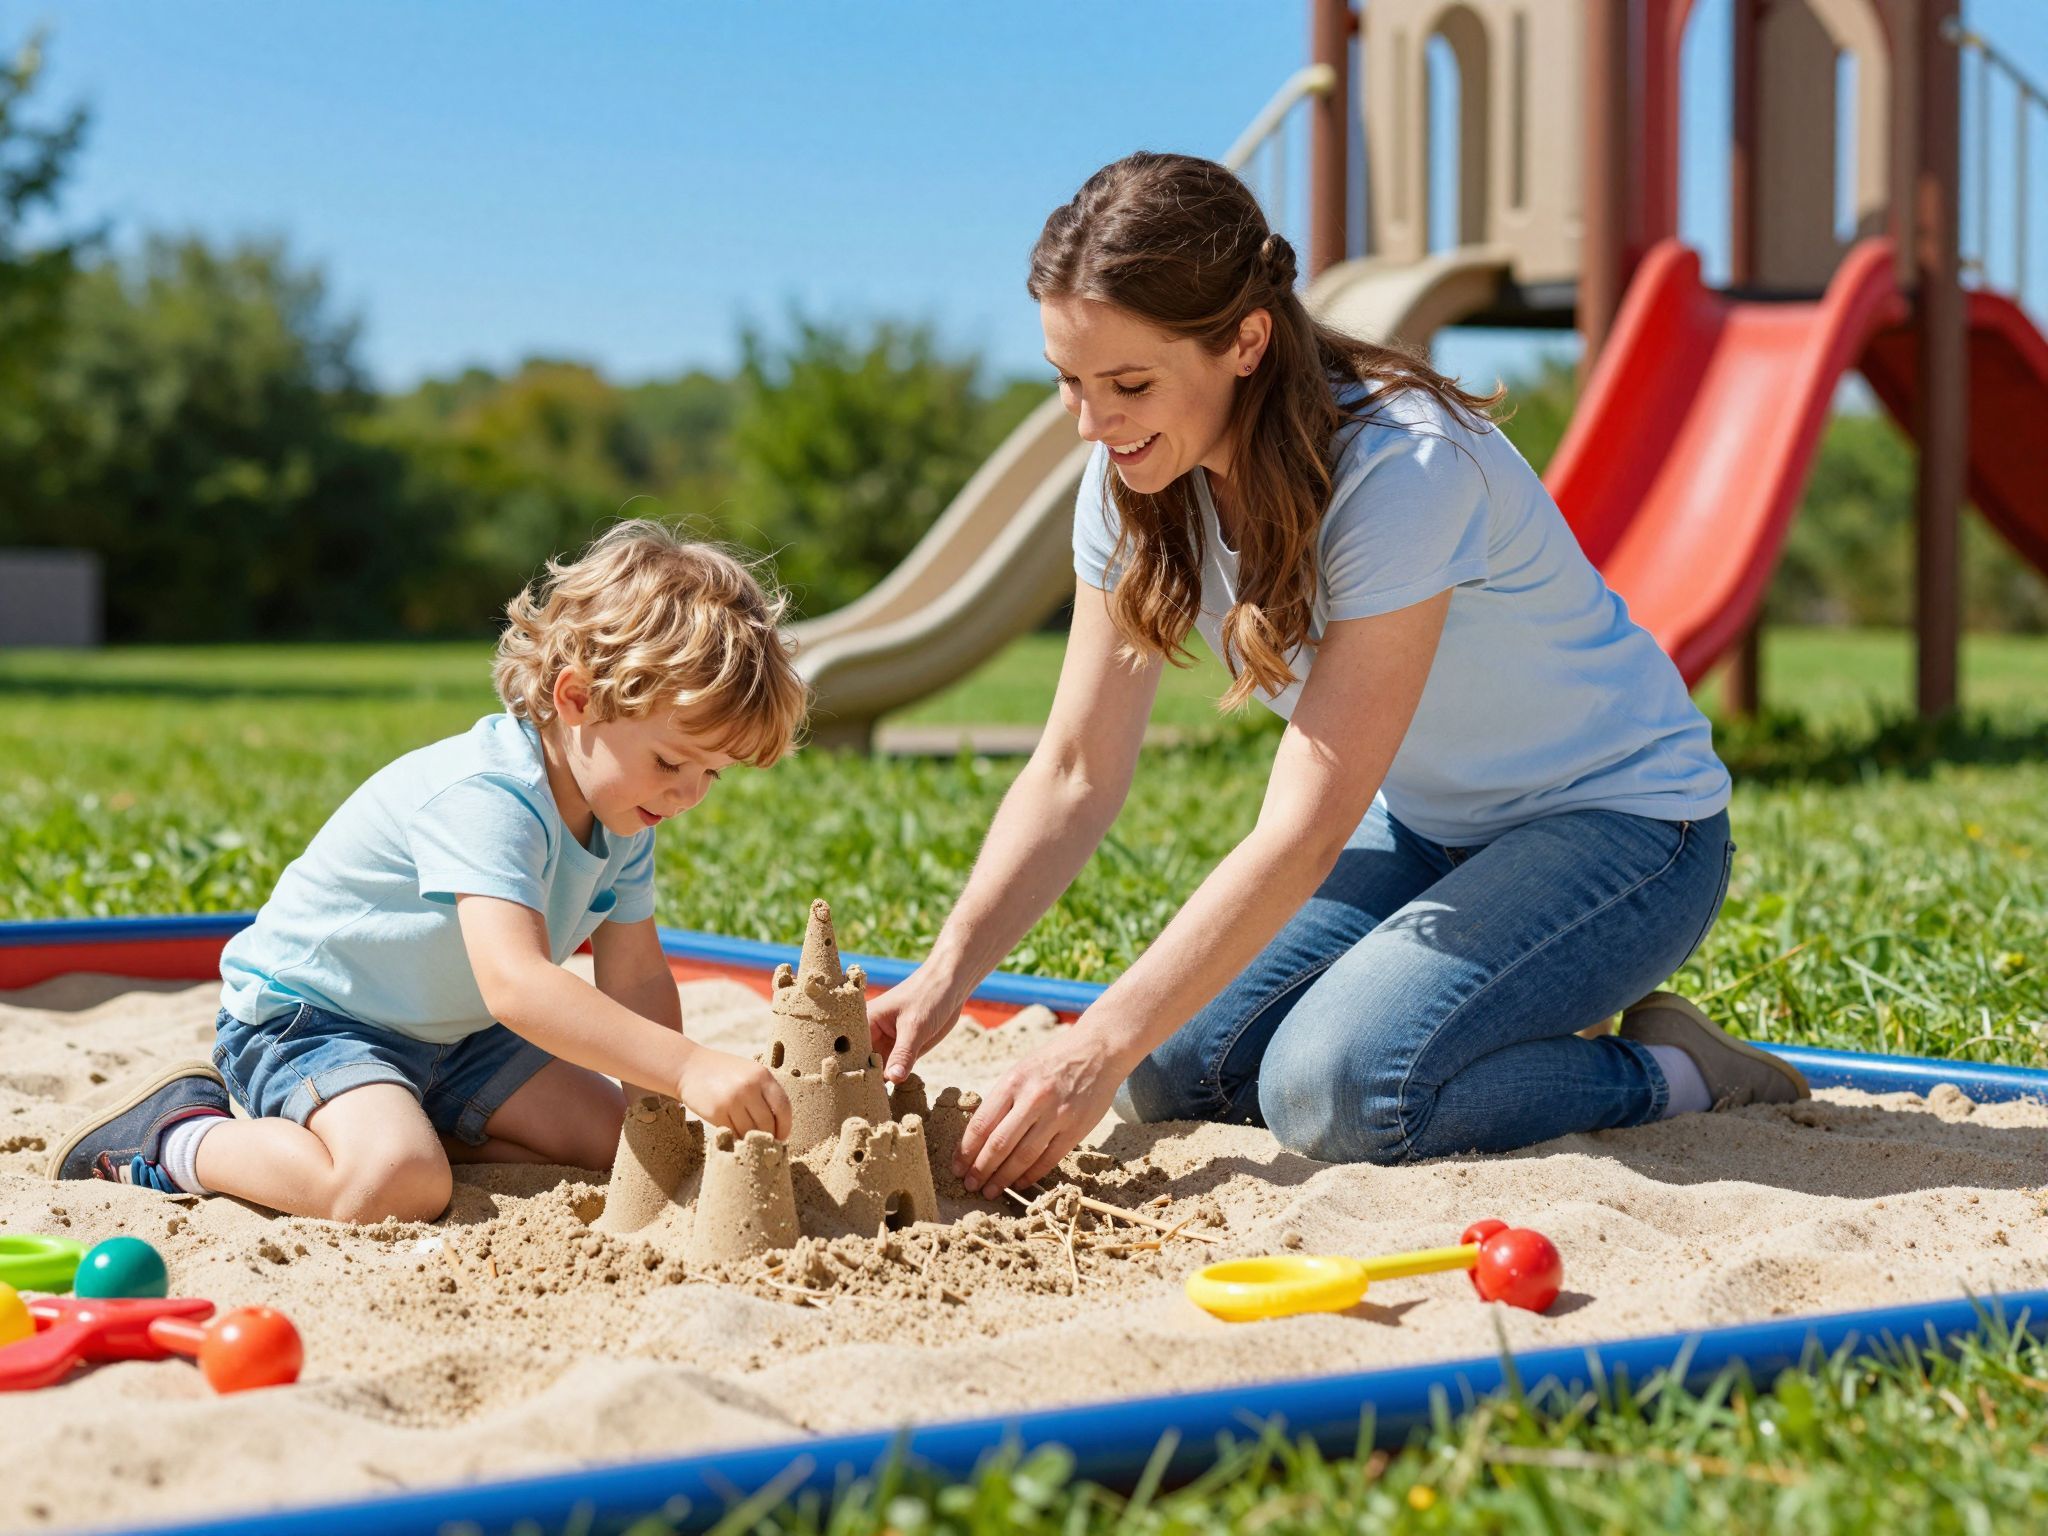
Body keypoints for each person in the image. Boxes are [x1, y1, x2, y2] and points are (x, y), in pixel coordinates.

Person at [871, 152, 1808, 1198]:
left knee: (1342, 1089)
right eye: (1068, 384)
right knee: (1170, 1066)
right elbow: (1074, 768)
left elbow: (1304, 830)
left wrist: (1091, 1044)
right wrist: (942, 975)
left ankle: (1673, 1072)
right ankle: (1496, 988)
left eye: (1127, 384)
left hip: (1627, 832)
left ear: (1244, 341)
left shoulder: (1402, 466)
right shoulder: (1132, 474)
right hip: (1425, 827)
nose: (1092, 425)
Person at [51, 520, 805, 1221]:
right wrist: (687, 1067)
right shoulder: (491, 797)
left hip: (462, 1033)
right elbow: (518, 984)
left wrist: (660, 1117)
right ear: (577, 699)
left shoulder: (624, 809)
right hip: (315, 1021)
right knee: (393, 1184)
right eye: (673, 761)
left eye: (713, 774)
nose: (688, 795)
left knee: (619, 1143)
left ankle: (402, 1115)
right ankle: (174, 1136)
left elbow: (635, 976)